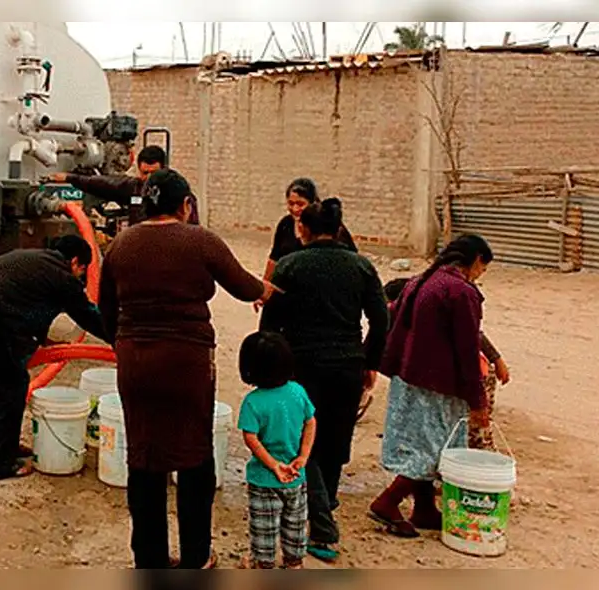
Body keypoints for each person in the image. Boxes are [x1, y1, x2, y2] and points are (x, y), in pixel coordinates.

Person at [98, 168, 269, 569]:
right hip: (186, 363)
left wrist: (123, 345)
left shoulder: (121, 245)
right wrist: (269, 290)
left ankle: (149, 558)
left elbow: (105, 309)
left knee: (143, 458)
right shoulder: (201, 240)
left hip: (135, 363)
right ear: (186, 205)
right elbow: (246, 287)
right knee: (194, 457)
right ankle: (195, 557)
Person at [258, 198, 388, 563]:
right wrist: (369, 359)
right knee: (333, 438)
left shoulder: (290, 266)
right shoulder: (362, 267)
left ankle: (322, 526)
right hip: (348, 366)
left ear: (304, 230)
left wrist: (271, 366)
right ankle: (324, 501)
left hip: (302, 366)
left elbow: (270, 323)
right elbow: (381, 321)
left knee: (305, 443)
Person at [0, 234, 110, 481]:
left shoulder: (40, 262)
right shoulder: (62, 275)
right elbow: (87, 315)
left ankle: (4, 447)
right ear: (76, 261)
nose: (80, 276)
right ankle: (1, 465)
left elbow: (29, 304)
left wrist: (45, 342)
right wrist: (118, 338)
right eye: (82, 270)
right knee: (10, 385)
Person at [370, 234, 495, 538]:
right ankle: (389, 500)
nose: (481, 275)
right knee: (436, 448)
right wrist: (478, 400)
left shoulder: (420, 281)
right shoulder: (460, 292)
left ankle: (424, 508)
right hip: (438, 382)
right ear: (476, 260)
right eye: (482, 268)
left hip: (409, 375)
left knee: (421, 443)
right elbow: (467, 349)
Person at [383, 277, 511, 451]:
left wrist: (497, 360)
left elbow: (474, 337)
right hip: (456, 380)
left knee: (474, 432)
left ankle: (482, 469)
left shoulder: (425, 318)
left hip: (474, 378)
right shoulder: (411, 319)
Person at [237, 331, 317, 570]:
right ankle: (294, 562)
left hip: (264, 479)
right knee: (295, 522)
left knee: (264, 527)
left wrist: (272, 465)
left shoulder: (253, 402)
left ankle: (264, 564)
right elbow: (310, 422)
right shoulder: (298, 392)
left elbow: (251, 438)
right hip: (296, 475)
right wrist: (302, 456)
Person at [255, 178, 356, 312]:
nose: (295, 209)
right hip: (285, 294)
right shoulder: (285, 224)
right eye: (291, 203)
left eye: (300, 204)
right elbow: (274, 258)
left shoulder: (329, 227)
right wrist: (263, 290)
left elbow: (350, 260)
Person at [47, 145, 200, 225]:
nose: (148, 178)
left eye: (153, 173)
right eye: (144, 173)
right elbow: (101, 183)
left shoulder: (181, 195)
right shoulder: (134, 188)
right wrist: (70, 178)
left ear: (165, 169)